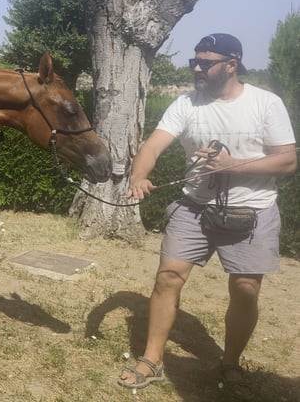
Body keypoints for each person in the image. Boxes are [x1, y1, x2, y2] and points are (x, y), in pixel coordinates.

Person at [117, 33, 297, 398]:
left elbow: (287, 160)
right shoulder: (187, 103)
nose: (197, 68)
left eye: (206, 63)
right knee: (167, 278)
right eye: (194, 62)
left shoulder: (265, 103)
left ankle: (230, 363)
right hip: (194, 208)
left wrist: (234, 165)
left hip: (253, 210)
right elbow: (153, 145)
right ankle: (152, 360)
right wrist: (139, 175)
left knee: (245, 290)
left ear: (231, 65)